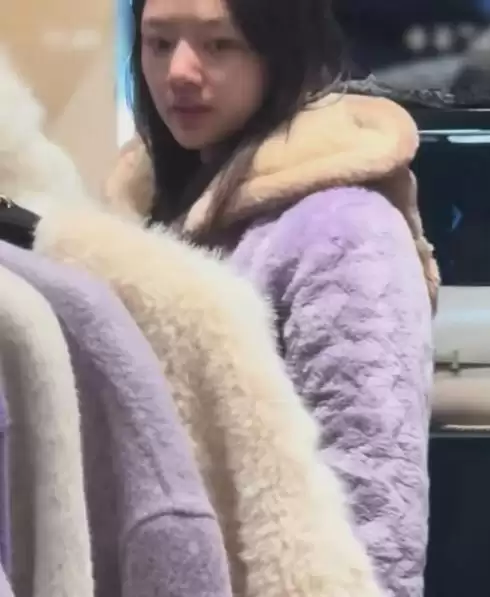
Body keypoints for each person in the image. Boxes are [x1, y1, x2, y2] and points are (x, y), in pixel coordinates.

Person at [104, 1, 438, 597]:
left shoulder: (343, 231)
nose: (179, 71)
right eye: (159, 43)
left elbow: (375, 505)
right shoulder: (151, 217)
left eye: (219, 44)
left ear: (280, 47)